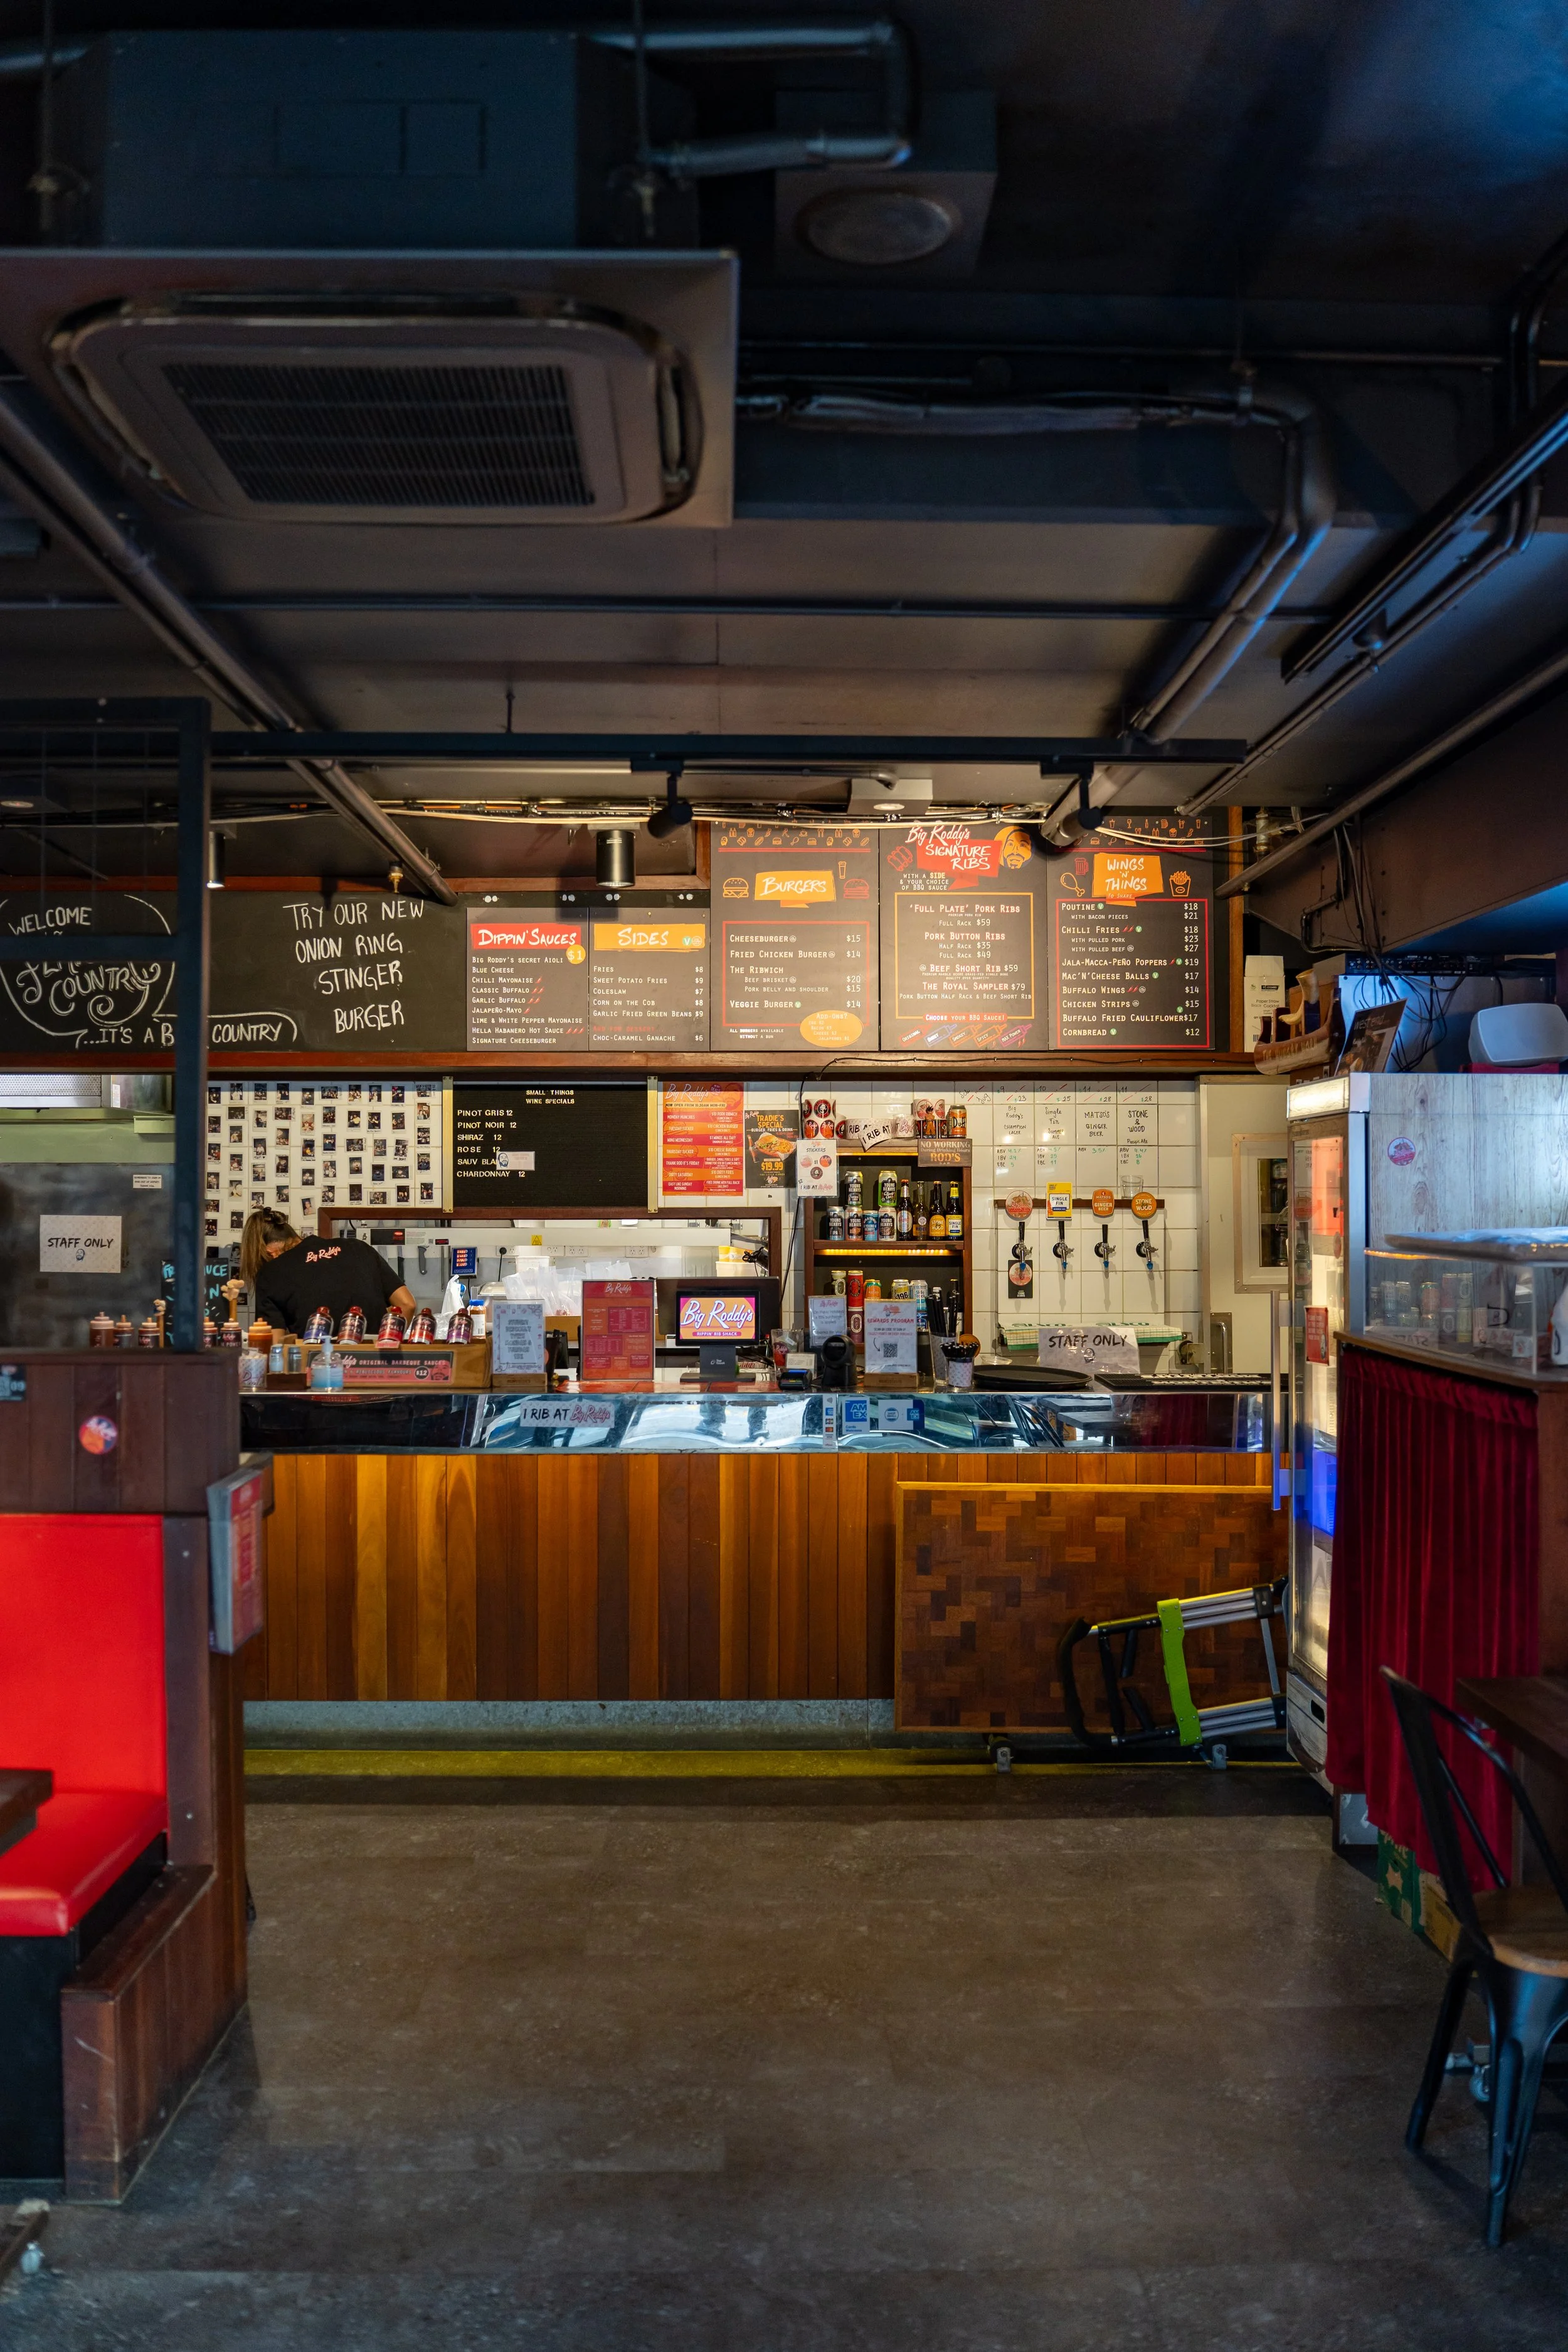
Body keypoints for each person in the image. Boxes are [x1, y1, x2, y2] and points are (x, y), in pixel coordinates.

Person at [241, 1209, 416, 1334]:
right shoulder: (357, 1247)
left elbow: (275, 1345)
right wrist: (387, 1342)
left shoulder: (270, 1273)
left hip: (319, 1371)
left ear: (270, 1253)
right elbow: (407, 1305)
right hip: (374, 1367)